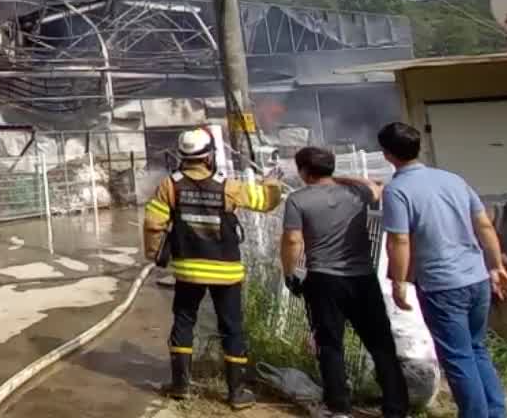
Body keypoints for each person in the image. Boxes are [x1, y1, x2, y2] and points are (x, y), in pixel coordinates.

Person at [144, 126, 287, 410]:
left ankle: (181, 385)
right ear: (208, 156)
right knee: (232, 327)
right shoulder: (229, 187)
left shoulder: (169, 185)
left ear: (183, 157)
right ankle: (237, 392)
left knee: (184, 322)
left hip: (188, 270)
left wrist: (154, 254)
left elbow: (153, 223)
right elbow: (266, 203)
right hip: (226, 271)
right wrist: (272, 184)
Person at [377, 121, 507, 418]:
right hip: (476, 278)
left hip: (442, 284)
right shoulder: (453, 180)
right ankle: (496, 412)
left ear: (387, 155)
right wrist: (496, 266)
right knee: (477, 349)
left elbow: (399, 240)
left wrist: (399, 282)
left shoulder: (397, 191)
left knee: (458, 356)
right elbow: (484, 224)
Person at [280, 147, 409, 418]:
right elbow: (375, 188)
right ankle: (396, 407)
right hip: (362, 278)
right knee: (380, 342)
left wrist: (290, 272)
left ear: (304, 171)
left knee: (329, 344)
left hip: (324, 280)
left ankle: (339, 407)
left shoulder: (298, 199)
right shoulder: (356, 193)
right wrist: (341, 178)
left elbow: (293, 240)